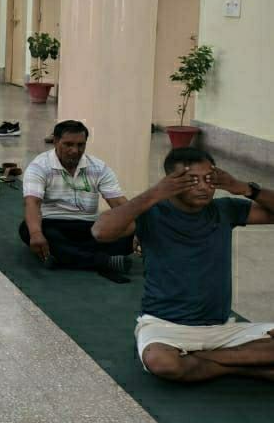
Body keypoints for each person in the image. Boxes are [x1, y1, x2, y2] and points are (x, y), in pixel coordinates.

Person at [91, 148, 274, 384]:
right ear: (171, 183)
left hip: (221, 328)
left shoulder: (224, 209)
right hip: (165, 327)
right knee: (163, 363)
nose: (203, 187)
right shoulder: (152, 213)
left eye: (209, 179)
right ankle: (244, 366)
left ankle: (202, 359)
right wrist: (154, 193)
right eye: (192, 181)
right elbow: (100, 232)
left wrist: (246, 189)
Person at [20, 120, 133, 273]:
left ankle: (63, 256)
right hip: (52, 224)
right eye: (68, 144)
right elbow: (32, 203)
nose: (75, 150)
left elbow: (118, 202)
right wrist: (36, 233)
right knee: (28, 230)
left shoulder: (99, 167)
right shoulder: (39, 166)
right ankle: (102, 261)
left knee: (128, 234)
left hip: (89, 227)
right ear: (55, 142)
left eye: (80, 145)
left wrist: (136, 227)